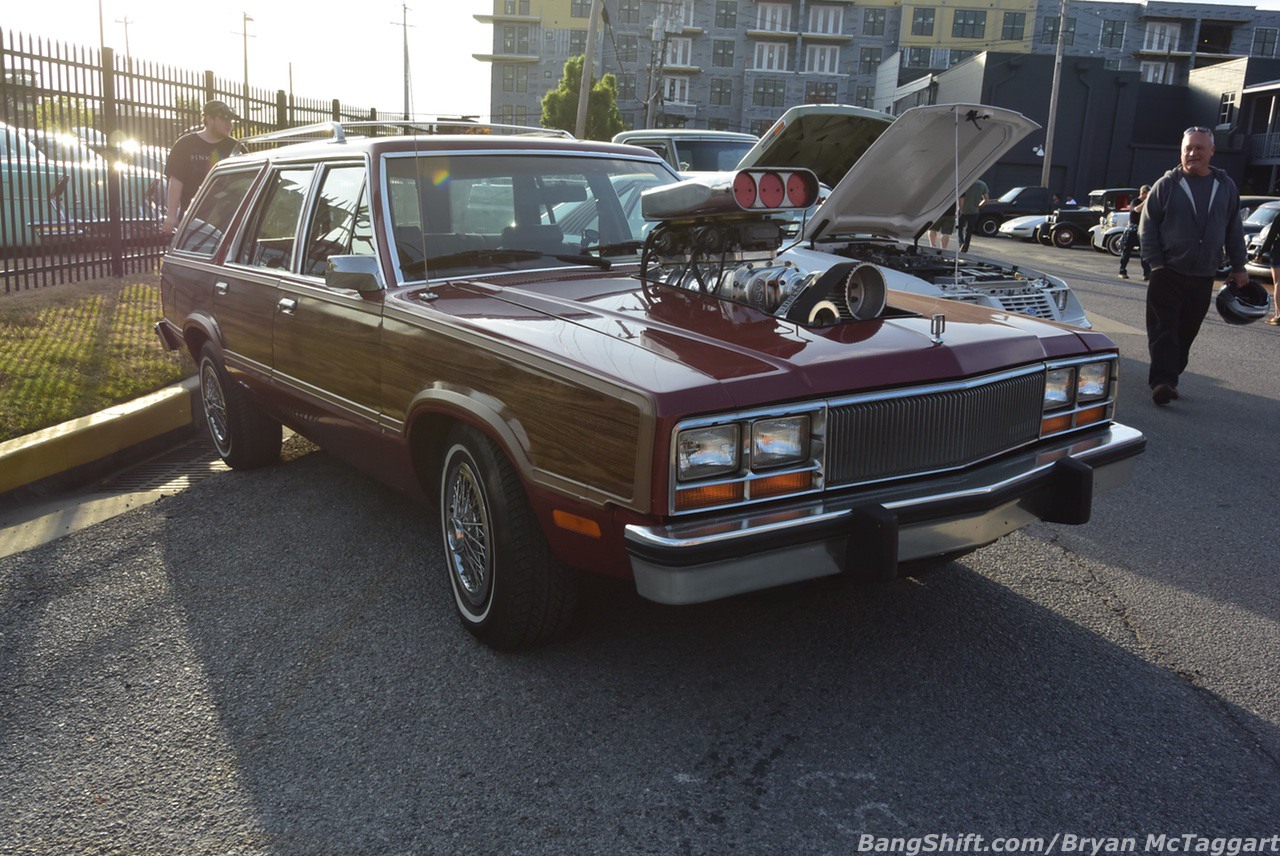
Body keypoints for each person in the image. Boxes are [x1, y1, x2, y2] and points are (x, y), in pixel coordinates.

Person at [1138, 126, 1249, 405]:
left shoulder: (1225, 186)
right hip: (1168, 271)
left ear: (1212, 151)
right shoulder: (1167, 184)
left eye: (1199, 148)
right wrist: (1156, 264)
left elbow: (1234, 229)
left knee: (1187, 330)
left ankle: (1171, 374)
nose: (1192, 153)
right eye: (1187, 148)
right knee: (1164, 328)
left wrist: (1239, 266)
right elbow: (1147, 226)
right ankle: (1162, 382)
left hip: (1203, 274)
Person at [162, 99, 240, 235]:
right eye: (224, 118)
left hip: (229, 219)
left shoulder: (236, 147)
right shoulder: (185, 144)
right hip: (194, 218)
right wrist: (171, 215)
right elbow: (176, 181)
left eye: (231, 120)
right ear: (209, 119)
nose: (229, 124)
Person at [1118, 184, 1151, 280]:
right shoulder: (1135, 202)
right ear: (1143, 193)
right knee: (1127, 250)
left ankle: (1147, 273)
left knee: (1144, 252)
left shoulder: (1148, 204)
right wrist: (1146, 200)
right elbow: (1137, 209)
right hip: (1133, 229)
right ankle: (1122, 270)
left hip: (1142, 230)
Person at [1254, 219, 1280, 325]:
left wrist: (1260, 254)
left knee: (1278, 282)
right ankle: (1277, 313)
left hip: (1278, 253)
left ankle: (1278, 314)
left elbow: (1271, 236)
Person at [957, 179, 989, 252]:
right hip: (974, 211)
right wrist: (979, 206)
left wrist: (959, 208)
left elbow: (960, 197)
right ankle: (966, 246)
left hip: (962, 210)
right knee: (969, 230)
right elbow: (986, 200)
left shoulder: (964, 182)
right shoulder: (982, 184)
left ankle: (961, 243)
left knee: (959, 228)